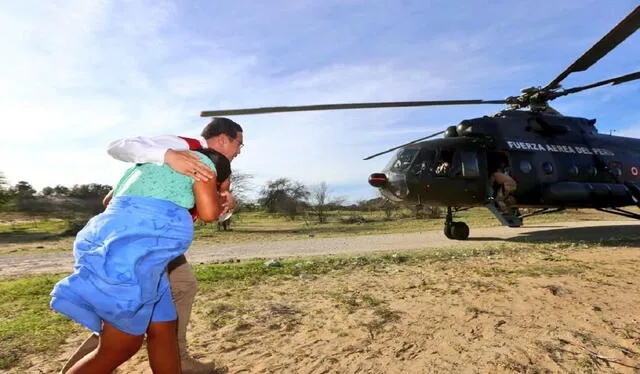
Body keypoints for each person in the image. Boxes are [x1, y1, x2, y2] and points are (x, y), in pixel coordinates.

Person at [59, 117, 243, 374]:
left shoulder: (197, 166)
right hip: (134, 249)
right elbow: (119, 146)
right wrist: (168, 155)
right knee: (122, 340)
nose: (239, 152)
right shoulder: (185, 149)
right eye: (239, 145)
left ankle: (176, 359)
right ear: (224, 138)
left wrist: (226, 203)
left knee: (164, 324)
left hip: (154, 251)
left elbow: (112, 198)